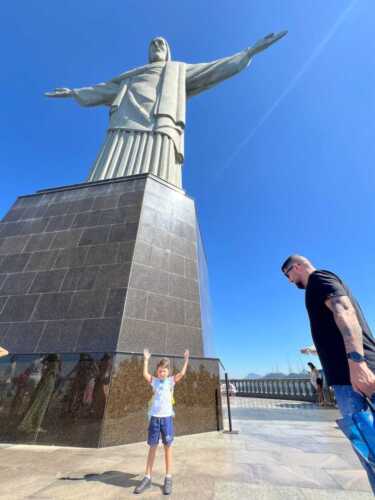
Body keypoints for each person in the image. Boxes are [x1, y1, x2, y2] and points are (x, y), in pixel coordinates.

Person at [45, 33, 286, 188]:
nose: (156, 45)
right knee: (108, 169)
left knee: (159, 175)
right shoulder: (131, 77)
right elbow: (102, 91)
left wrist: (248, 52)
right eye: (152, 44)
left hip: (161, 122)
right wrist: (74, 92)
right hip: (125, 123)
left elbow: (214, 69)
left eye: (161, 43)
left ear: (168, 51)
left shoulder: (178, 70)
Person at [282, 254, 375, 492]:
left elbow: (344, 311)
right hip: (351, 375)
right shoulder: (317, 287)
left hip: (353, 377)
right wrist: (315, 349)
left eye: (288, 274)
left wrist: (358, 363)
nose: (290, 281)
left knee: (371, 453)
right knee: (369, 452)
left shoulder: (319, 279)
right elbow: (335, 330)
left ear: (298, 266)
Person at [134, 348, 190, 496]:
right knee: (152, 447)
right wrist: (146, 359)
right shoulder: (155, 381)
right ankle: (147, 477)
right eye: (160, 371)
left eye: (164, 371)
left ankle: (168, 477)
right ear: (157, 371)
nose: (162, 373)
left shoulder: (171, 381)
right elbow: (145, 374)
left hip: (166, 419)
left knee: (167, 447)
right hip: (154, 418)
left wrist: (186, 360)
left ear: (168, 371)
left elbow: (182, 374)